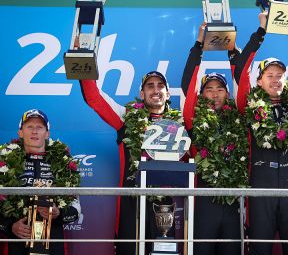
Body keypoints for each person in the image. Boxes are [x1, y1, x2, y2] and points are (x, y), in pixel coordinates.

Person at [233, 12, 288, 255]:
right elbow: (240, 71)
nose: (275, 79)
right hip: (260, 193)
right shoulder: (248, 105)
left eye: (280, 75)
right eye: (269, 75)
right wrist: (260, 33)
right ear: (259, 81)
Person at [80, 71, 181, 255]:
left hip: (164, 204)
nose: (155, 90)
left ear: (168, 94)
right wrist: (84, 62)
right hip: (130, 202)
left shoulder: (179, 125)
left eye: (160, 86)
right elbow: (94, 98)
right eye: (150, 86)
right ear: (142, 94)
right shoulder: (126, 117)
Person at [181, 23, 248, 255]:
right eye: (209, 89)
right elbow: (187, 84)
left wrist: (232, 50)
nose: (215, 93)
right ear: (201, 95)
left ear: (227, 94)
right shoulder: (193, 119)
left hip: (233, 202)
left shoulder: (240, 118)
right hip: (204, 201)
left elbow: (243, 83)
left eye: (220, 89)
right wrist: (199, 45)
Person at [0, 109, 81, 255]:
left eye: (39, 127)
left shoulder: (64, 164)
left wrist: (58, 213)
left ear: (47, 133)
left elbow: (76, 211)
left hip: (53, 240)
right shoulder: (4, 163)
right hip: (16, 241)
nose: (34, 131)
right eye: (29, 127)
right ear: (20, 132)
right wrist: (9, 226)